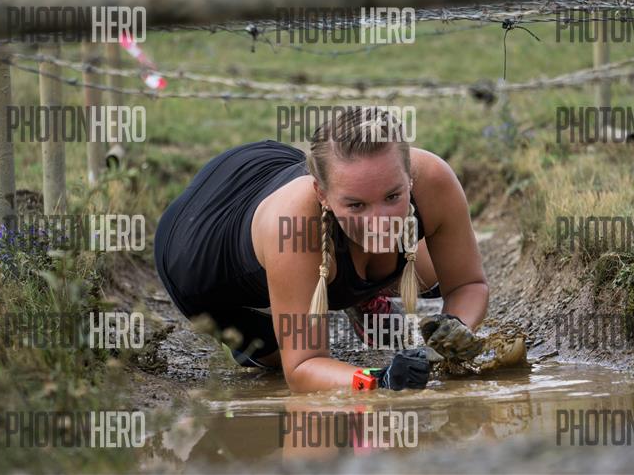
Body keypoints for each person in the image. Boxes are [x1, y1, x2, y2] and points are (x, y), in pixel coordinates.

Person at [154, 106, 489, 393]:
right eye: (357, 205)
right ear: (322, 194)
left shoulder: (431, 178)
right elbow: (303, 368)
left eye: (393, 196)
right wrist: (381, 379)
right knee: (276, 364)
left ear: (409, 178)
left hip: (270, 168)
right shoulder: (294, 225)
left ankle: (361, 293)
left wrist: (454, 331)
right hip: (196, 253)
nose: (380, 222)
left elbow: (468, 284)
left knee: (425, 264)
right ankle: (354, 291)